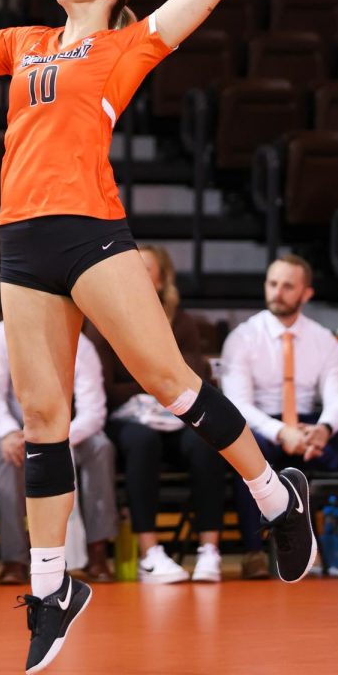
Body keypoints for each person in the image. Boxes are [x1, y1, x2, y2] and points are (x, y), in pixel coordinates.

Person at [0, 0, 316, 675]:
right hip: (21, 235)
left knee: (170, 381)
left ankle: (277, 496)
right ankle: (52, 591)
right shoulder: (26, 42)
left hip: (91, 229)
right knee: (45, 416)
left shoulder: (126, 46)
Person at [222, 255, 338, 580]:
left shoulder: (324, 340)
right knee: (244, 448)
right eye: (273, 283)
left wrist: (324, 428)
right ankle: (254, 554)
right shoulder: (243, 337)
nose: (277, 292)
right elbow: (237, 404)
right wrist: (281, 432)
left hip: (309, 426)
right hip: (263, 425)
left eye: (287, 286)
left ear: (306, 293)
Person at [90, 244, 227, 583]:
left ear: (163, 279)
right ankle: (149, 553)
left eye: (146, 269)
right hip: (128, 419)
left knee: (206, 443)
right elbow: (107, 389)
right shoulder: (104, 319)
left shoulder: (181, 322)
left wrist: (150, 384)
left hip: (175, 415)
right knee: (142, 440)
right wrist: (158, 384)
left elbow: (196, 378)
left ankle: (210, 550)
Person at [0, 318, 117, 585]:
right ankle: (14, 559)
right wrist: (8, 431)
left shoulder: (81, 344)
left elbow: (94, 411)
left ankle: (97, 550)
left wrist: (57, 438)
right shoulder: (2, 333)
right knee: (4, 454)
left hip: (66, 430)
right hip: (14, 428)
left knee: (101, 447)